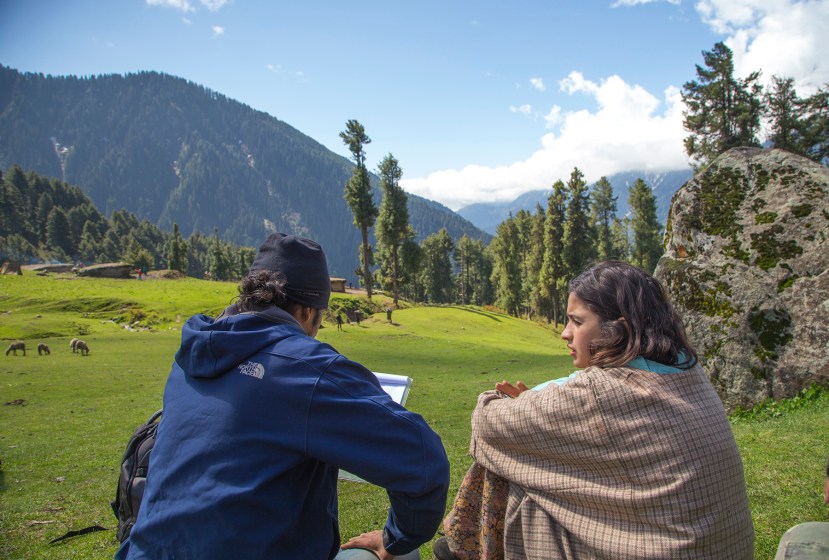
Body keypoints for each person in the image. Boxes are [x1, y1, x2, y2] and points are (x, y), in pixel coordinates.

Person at [116, 233, 449, 560]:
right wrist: (395, 538)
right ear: (308, 312)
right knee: (404, 557)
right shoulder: (306, 368)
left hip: (143, 551)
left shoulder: (192, 355)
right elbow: (423, 459)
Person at [436, 260, 754, 559]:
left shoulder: (600, 394)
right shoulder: (688, 370)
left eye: (577, 321)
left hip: (663, 549)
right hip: (719, 547)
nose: (565, 333)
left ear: (617, 329)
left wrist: (523, 406)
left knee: (510, 468)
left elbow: (487, 420)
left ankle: (458, 549)